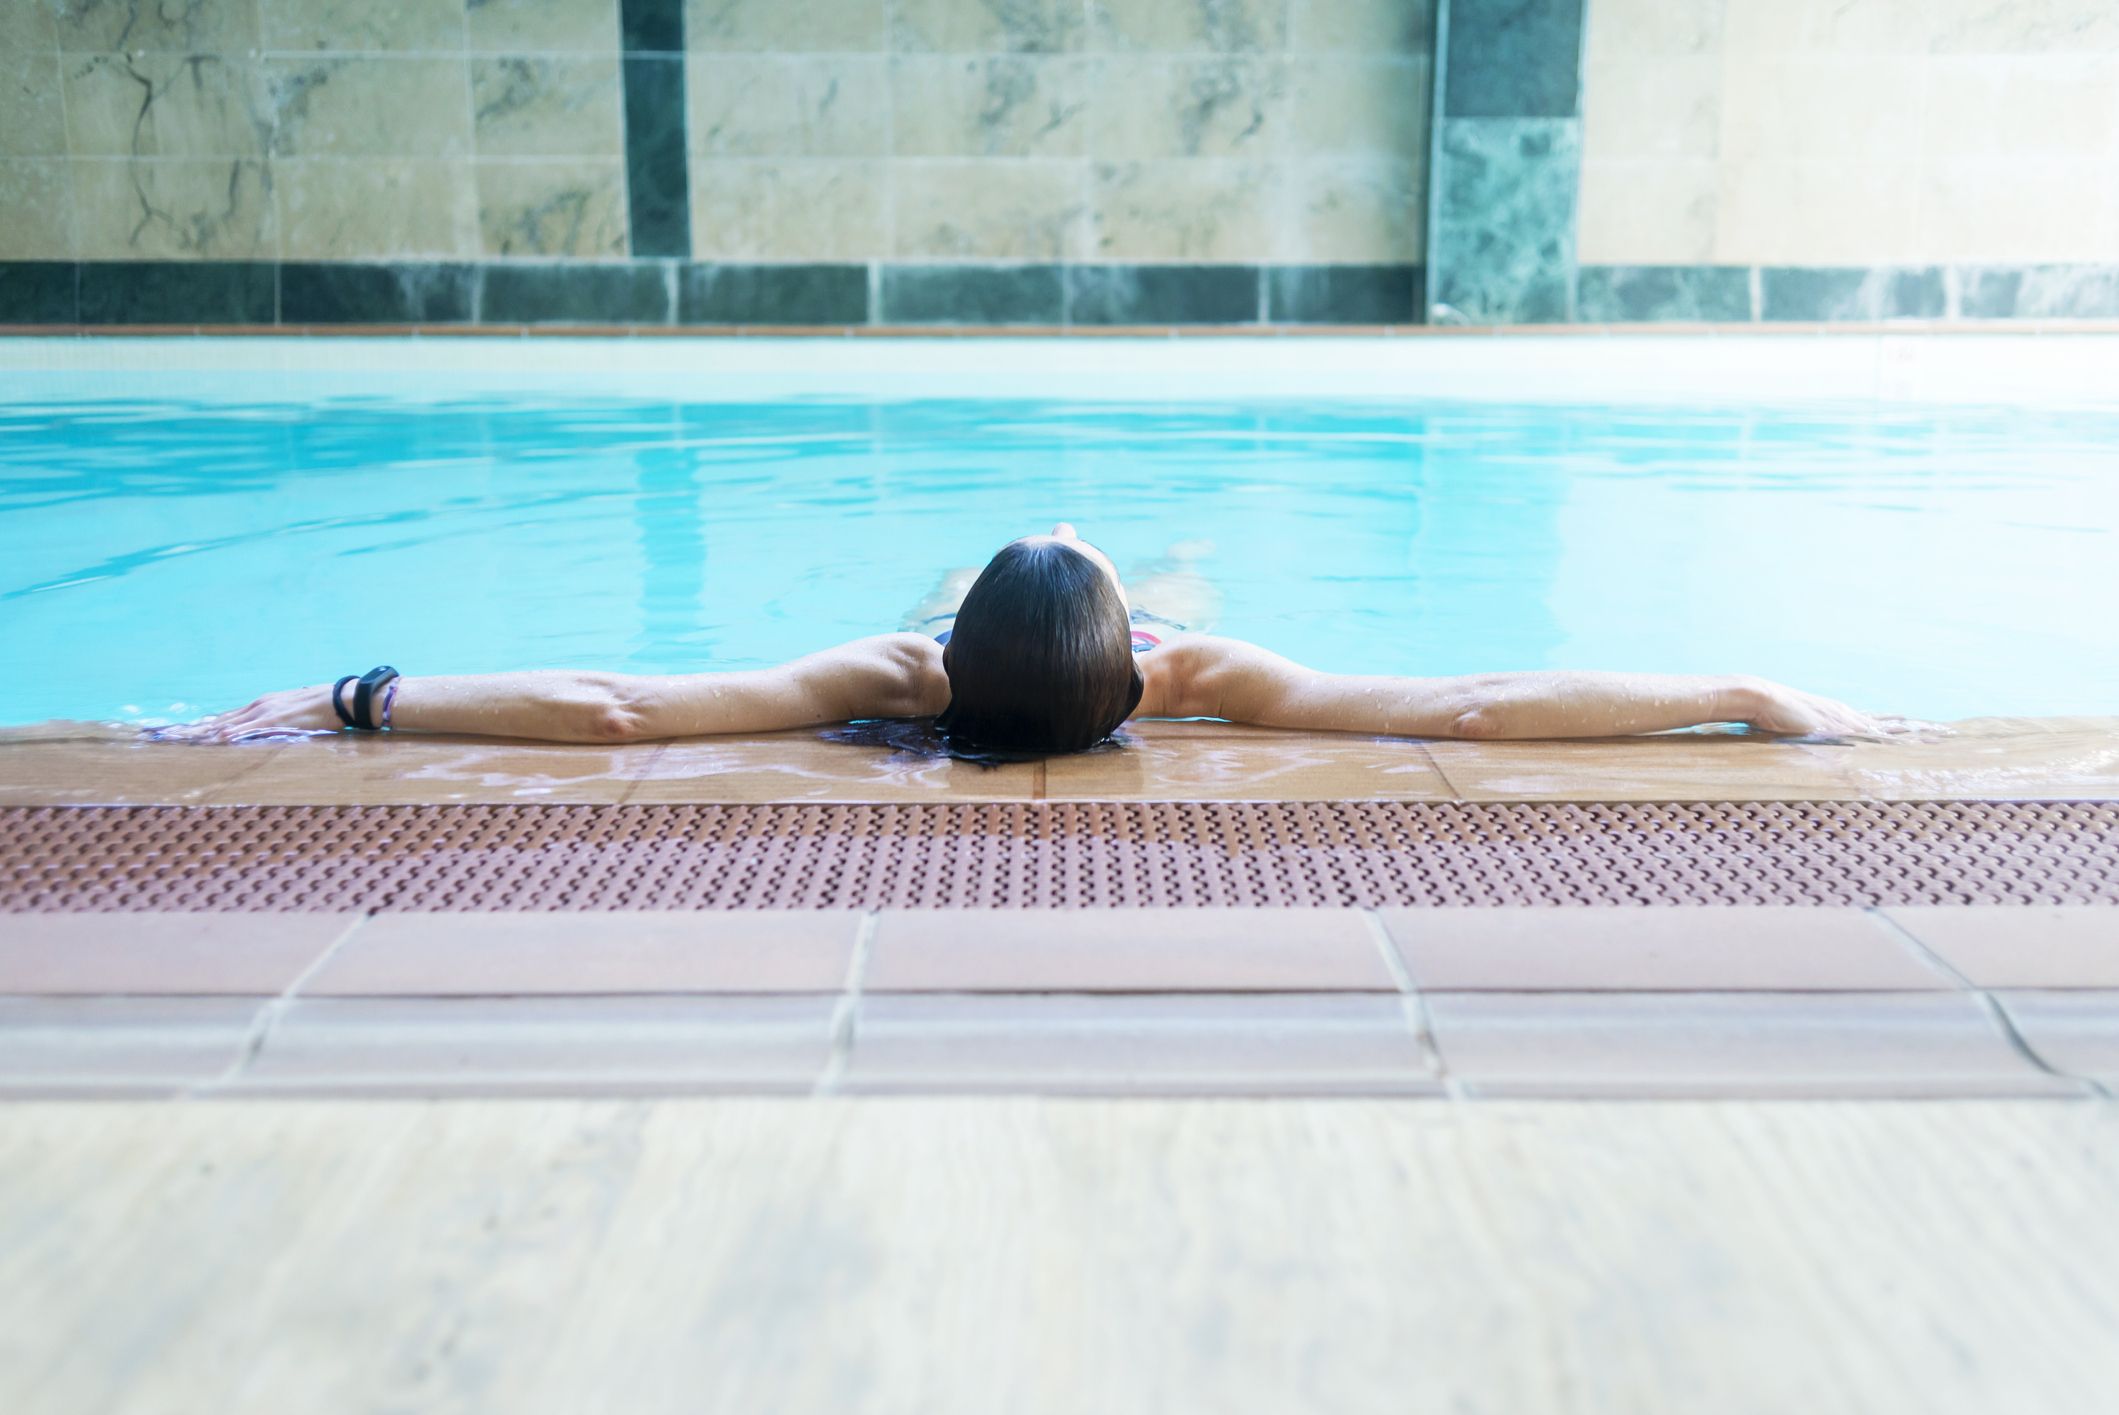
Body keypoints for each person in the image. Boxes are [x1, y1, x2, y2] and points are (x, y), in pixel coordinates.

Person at [164, 522, 1903, 752]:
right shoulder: (1214, 675)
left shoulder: (897, 669)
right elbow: (1472, 699)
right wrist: (1739, 691)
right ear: (1144, 656)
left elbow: (619, 708)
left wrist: (355, 696)